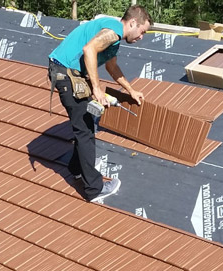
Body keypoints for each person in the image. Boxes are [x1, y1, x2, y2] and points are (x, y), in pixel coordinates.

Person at [48, 6, 152, 203]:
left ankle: (76, 168)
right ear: (132, 23)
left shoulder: (114, 37)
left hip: (69, 74)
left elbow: (112, 66)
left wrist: (130, 90)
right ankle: (94, 190)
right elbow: (89, 49)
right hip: (66, 75)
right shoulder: (114, 30)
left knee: (85, 125)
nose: (141, 37)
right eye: (142, 31)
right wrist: (96, 88)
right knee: (85, 132)